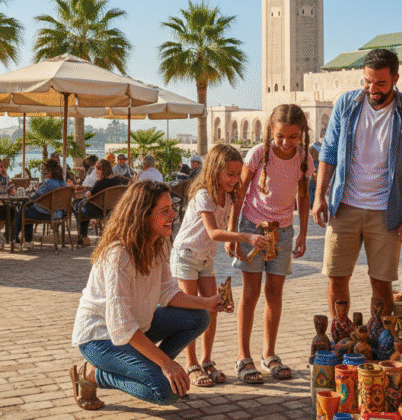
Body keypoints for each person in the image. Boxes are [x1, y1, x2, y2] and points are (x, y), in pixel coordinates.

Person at [70, 180, 230, 410]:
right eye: (165, 210)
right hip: (100, 338)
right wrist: (167, 364)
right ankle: (90, 374)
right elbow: (121, 324)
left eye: (172, 208)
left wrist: (207, 302)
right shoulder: (119, 254)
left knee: (200, 317)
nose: (173, 215)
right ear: (143, 214)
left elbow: (168, 293)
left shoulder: (159, 243)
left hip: (134, 328)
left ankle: (152, 369)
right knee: (165, 392)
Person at [312, 48, 402, 324]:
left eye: (380, 84)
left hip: (386, 211)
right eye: (367, 81)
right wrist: (319, 197)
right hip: (344, 207)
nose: (372, 89)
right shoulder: (346, 104)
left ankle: (380, 341)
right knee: (337, 277)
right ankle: (341, 334)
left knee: (381, 283)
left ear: (396, 79)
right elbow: (328, 153)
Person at [229, 104, 314, 383]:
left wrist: (302, 233)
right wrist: (232, 231)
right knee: (250, 293)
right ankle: (243, 356)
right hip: (253, 228)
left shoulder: (303, 158)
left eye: (293, 137)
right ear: (270, 131)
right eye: (281, 136)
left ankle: (269, 353)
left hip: (284, 232)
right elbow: (239, 193)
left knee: (274, 294)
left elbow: (303, 197)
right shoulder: (257, 154)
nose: (287, 143)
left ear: (302, 134)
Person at [171, 144, 268, 387]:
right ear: (215, 171)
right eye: (231, 175)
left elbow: (231, 224)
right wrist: (245, 238)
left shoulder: (230, 195)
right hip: (186, 255)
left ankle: (206, 360)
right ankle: (191, 363)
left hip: (206, 259)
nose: (236, 180)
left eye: (238, 174)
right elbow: (214, 233)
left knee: (212, 308)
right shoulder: (203, 194)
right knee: (191, 311)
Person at [15, 159, 66, 250]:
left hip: (47, 213)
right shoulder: (63, 183)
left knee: (22, 212)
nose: (44, 172)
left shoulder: (49, 183)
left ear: (49, 171)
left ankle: (16, 239)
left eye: (45, 170)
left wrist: (29, 193)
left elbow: (34, 197)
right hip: (58, 213)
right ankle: (27, 241)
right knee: (27, 208)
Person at [77, 159, 122, 246]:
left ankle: (83, 236)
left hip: (99, 210)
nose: (96, 172)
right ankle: (84, 236)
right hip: (113, 210)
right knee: (80, 205)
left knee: (78, 206)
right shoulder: (117, 180)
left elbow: (91, 196)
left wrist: (88, 194)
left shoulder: (100, 183)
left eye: (97, 171)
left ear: (101, 170)